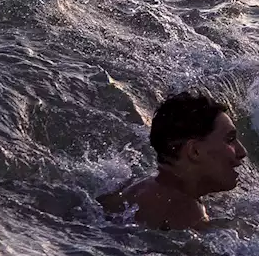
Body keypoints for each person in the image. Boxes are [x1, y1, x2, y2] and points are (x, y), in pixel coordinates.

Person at [99, 91, 248, 230]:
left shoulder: (136, 186)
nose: (242, 151)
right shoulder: (187, 212)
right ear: (194, 151)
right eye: (230, 139)